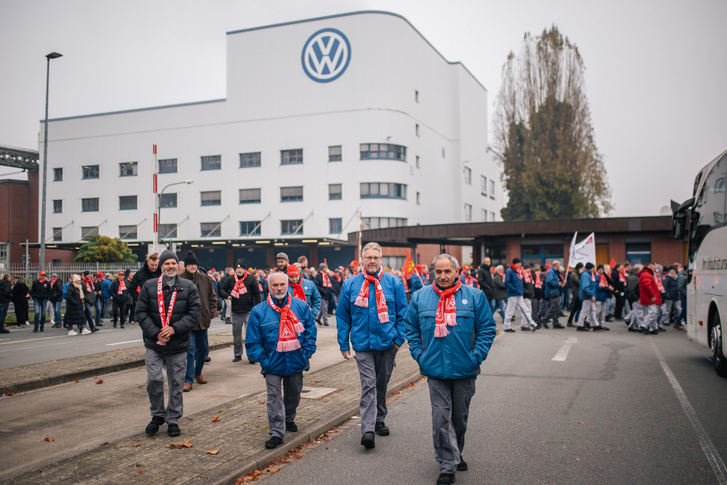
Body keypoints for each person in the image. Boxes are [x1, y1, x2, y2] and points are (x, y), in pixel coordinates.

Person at [403, 254, 496, 485]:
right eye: (438, 272)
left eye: (447, 271)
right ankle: (447, 466)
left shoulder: (475, 296)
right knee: (440, 416)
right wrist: (420, 356)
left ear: (457, 272)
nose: (442, 276)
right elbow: (411, 329)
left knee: (459, 419)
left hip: (466, 369)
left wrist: (476, 357)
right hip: (434, 369)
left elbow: (487, 329)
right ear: (433, 272)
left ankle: (455, 451)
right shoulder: (420, 297)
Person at [336, 242, 407, 450]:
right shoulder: (350, 284)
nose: (372, 261)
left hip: (388, 344)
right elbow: (342, 315)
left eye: (376, 257)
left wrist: (397, 340)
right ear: (362, 260)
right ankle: (367, 429)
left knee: (381, 383)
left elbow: (403, 314)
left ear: (381, 259)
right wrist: (343, 342)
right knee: (368, 384)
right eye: (369, 257)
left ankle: (379, 419)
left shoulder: (394, 283)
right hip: (363, 344)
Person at [246, 272, 317, 449]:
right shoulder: (258, 311)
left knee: (293, 394)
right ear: (268, 287)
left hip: (296, 361)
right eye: (275, 285)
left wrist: (305, 353)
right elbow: (253, 341)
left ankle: (289, 417)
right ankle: (277, 432)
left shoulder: (300, 306)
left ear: (287, 286)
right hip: (272, 363)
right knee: (274, 397)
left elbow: (310, 331)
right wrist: (264, 359)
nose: (279, 288)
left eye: (282, 285)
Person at [137, 250, 201, 437]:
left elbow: (194, 312)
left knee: (176, 382)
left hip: (178, 344)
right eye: (167, 264)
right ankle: (157, 415)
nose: (170, 266)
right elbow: (141, 312)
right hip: (154, 344)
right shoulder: (149, 286)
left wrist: (175, 329)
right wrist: (156, 332)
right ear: (161, 266)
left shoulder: (188, 286)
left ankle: (173, 419)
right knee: (155, 379)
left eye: (173, 263)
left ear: (178, 266)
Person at [179, 251, 218, 392]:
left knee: (204, 349)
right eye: (190, 264)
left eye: (194, 264)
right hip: (188, 322)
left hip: (203, 321)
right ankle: (188, 379)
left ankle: (197, 372)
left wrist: (211, 312)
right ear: (186, 266)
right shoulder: (180, 279)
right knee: (190, 351)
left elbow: (213, 297)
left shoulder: (205, 279)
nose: (193, 266)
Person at [219, 258, 262, 363]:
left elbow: (257, 294)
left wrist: (257, 308)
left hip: (249, 311)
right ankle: (237, 354)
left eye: (242, 268)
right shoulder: (230, 279)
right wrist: (227, 296)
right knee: (237, 335)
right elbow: (221, 289)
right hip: (236, 311)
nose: (239, 270)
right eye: (238, 268)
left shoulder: (251, 279)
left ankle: (251, 355)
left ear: (245, 270)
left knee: (250, 334)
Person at [503, 258, 537, 332]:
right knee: (510, 310)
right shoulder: (510, 271)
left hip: (519, 294)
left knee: (525, 309)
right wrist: (514, 289)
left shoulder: (517, 271)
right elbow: (507, 282)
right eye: (519, 263)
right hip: (513, 294)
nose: (520, 264)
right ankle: (507, 326)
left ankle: (532, 324)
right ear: (515, 263)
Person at [129, 254, 161, 323]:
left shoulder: (162, 272)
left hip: (160, 301)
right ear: (148, 263)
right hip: (146, 302)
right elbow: (132, 287)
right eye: (152, 265)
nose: (154, 267)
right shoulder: (140, 273)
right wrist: (138, 298)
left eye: (156, 265)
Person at [537, 260, 565, 330]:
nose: (559, 266)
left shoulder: (555, 272)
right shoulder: (551, 272)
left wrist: (561, 282)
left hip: (555, 292)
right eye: (559, 264)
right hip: (552, 292)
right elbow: (549, 281)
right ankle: (545, 319)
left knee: (556, 308)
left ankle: (555, 322)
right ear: (556, 265)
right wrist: (558, 284)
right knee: (553, 307)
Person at [639, 262, 662, 335]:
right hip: (649, 297)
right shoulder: (647, 275)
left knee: (649, 313)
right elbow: (648, 286)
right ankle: (645, 325)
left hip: (646, 296)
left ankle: (652, 328)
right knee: (653, 312)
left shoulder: (645, 274)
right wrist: (653, 295)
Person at [576, 263, 598, 332]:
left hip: (588, 296)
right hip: (587, 296)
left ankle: (595, 324)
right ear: (590, 268)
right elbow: (586, 287)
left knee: (591, 311)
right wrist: (592, 295)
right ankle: (580, 325)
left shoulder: (586, 274)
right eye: (593, 267)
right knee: (585, 311)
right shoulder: (586, 275)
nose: (594, 269)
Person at [593, 265, 612, 331]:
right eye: (599, 269)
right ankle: (595, 325)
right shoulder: (596, 277)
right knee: (598, 311)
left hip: (604, 296)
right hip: (598, 296)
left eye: (602, 269)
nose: (601, 271)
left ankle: (602, 325)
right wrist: (603, 288)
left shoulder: (604, 277)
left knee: (603, 312)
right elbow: (595, 287)